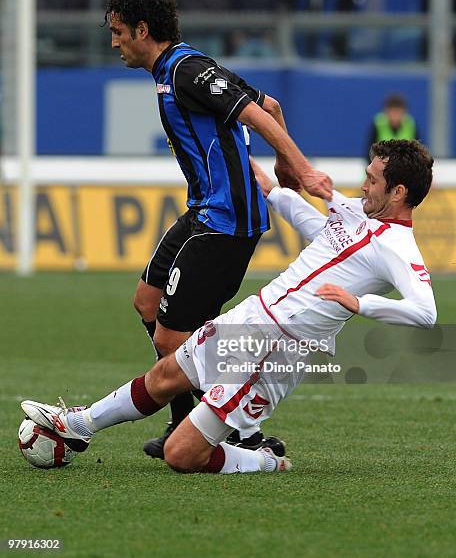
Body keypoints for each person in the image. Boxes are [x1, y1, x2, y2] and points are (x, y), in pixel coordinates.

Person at [22, 139, 437, 474]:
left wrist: (358, 303)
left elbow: (425, 311)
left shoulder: (397, 248)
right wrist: (249, 167)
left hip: (279, 347)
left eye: (372, 179)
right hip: (253, 316)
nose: (364, 185)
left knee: (180, 455)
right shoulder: (355, 217)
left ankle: (263, 460)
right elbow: (316, 226)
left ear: (398, 191)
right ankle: (79, 426)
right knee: (166, 374)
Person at [105, 0, 332, 459]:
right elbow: (270, 103)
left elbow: (256, 114)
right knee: (148, 301)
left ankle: (236, 431)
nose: (115, 42)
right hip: (203, 211)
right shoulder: (173, 71)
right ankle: (187, 422)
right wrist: (285, 167)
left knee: (172, 335)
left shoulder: (187, 69)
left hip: (227, 222)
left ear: (143, 30)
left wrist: (300, 168)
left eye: (120, 31)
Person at [367, 94, 419, 162]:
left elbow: (418, 151)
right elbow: (370, 150)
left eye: (398, 112)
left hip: (405, 167)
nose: (395, 115)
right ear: (386, 111)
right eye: (392, 111)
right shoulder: (378, 123)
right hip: (380, 167)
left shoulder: (411, 124)